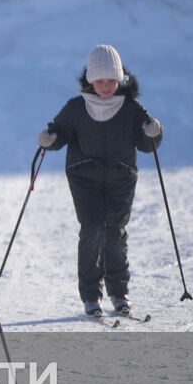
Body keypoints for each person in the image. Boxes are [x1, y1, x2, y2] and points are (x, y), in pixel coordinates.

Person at [38, 44, 163, 318]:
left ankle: (119, 292)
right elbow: (59, 133)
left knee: (114, 231)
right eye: (100, 80)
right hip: (84, 176)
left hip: (122, 176)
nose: (106, 87)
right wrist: (50, 139)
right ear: (90, 79)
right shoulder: (76, 108)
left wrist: (153, 133)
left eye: (111, 80)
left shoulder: (130, 108)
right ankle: (91, 295)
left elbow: (146, 143)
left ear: (119, 80)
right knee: (92, 228)